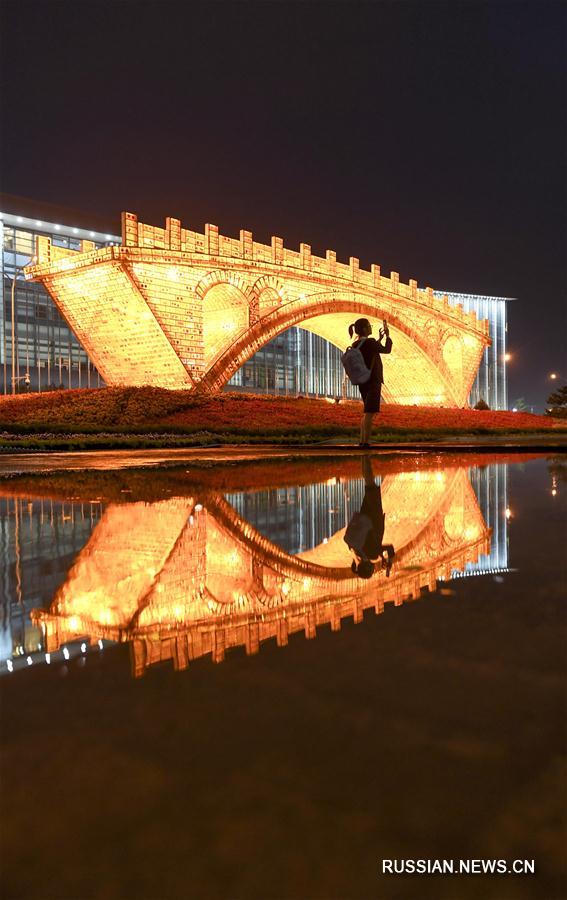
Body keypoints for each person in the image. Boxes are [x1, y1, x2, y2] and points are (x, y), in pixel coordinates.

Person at [344, 456, 395, 579]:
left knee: (370, 484)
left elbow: (390, 548)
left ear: (368, 568)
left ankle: (365, 455)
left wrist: (388, 561)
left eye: (371, 570)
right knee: (368, 486)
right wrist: (382, 557)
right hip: (365, 516)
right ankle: (363, 455)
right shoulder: (357, 553)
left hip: (374, 516)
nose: (374, 569)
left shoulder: (372, 555)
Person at [348, 317, 392, 449]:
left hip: (363, 381)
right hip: (373, 381)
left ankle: (362, 441)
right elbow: (386, 349)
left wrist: (378, 339)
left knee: (367, 412)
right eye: (369, 325)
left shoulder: (357, 344)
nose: (371, 327)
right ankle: (365, 443)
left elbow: (370, 351)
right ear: (364, 329)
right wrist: (387, 336)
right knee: (370, 413)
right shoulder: (371, 343)